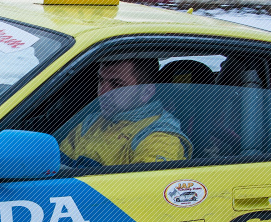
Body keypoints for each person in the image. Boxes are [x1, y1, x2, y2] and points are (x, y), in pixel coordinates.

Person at [58, 58, 190, 167]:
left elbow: (142, 189)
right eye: (100, 80)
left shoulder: (161, 139)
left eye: (116, 84)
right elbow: (55, 168)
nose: (102, 92)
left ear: (146, 92)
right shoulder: (91, 121)